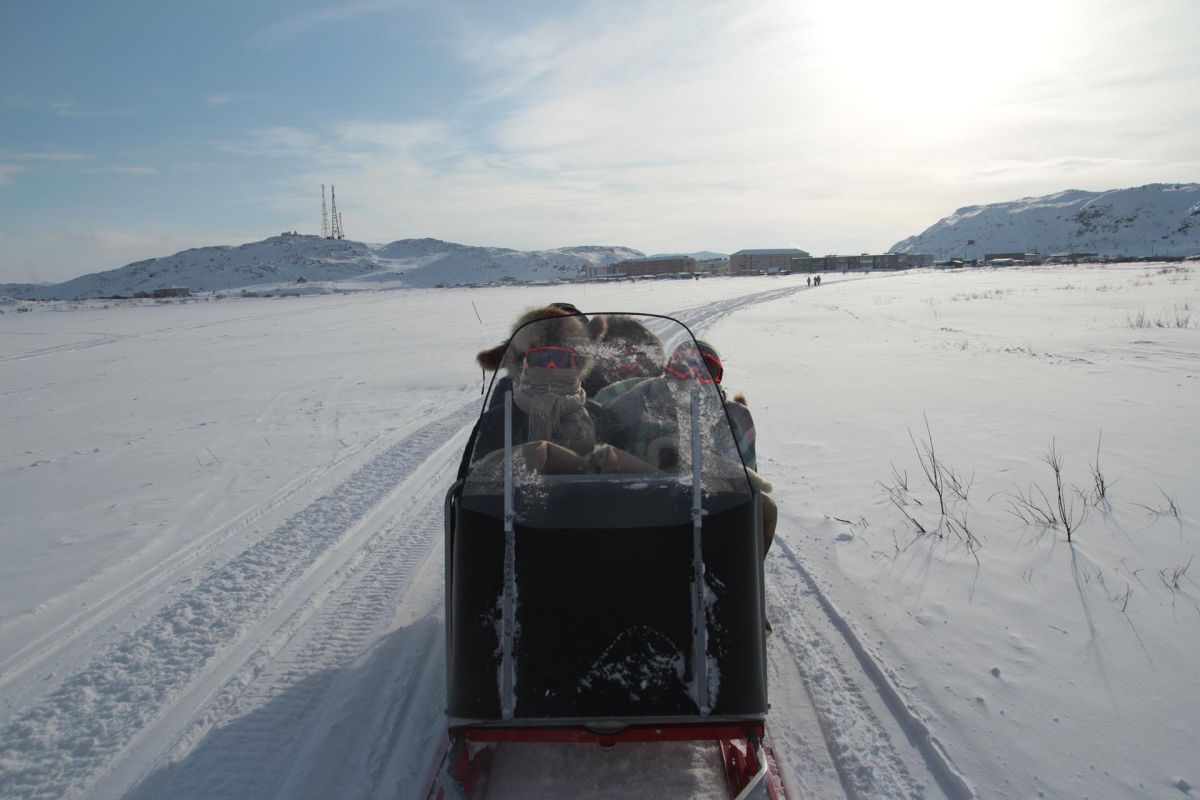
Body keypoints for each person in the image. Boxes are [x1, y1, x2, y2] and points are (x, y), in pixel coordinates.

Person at [472, 305, 599, 463]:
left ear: (576, 364)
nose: (551, 366)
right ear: (522, 363)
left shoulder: (598, 416)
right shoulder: (497, 421)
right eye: (540, 357)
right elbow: (476, 475)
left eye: (560, 358)